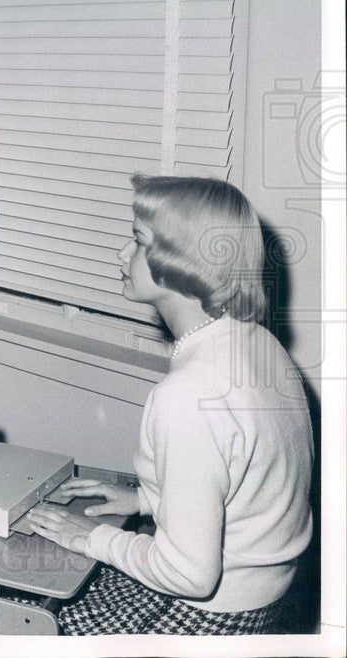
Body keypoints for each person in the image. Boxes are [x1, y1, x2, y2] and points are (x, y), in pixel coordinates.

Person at [26, 175, 313, 635]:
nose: (122, 254)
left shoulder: (188, 395)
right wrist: (145, 498)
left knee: (28, 616)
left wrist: (89, 536)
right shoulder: (260, 346)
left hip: (210, 615)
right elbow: (246, 484)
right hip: (265, 600)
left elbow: (189, 576)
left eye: (137, 241)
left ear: (179, 258)